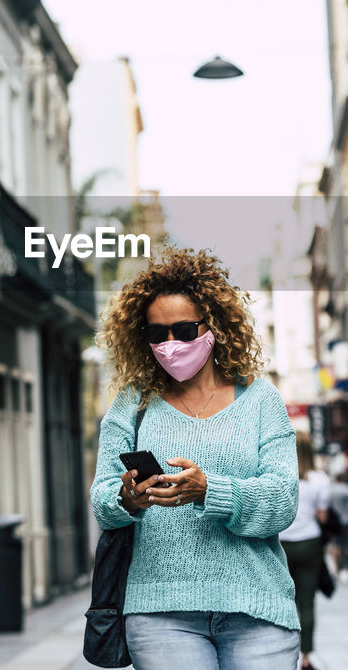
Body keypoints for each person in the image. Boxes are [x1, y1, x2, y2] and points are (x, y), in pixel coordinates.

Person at [90, 247, 301, 670]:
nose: (170, 344)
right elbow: (102, 500)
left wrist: (210, 490)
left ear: (215, 326)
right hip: (159, 612)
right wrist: (128, 498)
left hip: (258, 608)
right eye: (157, 334)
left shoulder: (260, 400)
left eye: (185, 330)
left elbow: (283, 500)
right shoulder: (132, 404)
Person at [279, 431, 331, 670]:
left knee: (282, 600)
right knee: (307, 602)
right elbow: (323, 516)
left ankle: (283, 654)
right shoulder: (320, 480)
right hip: (310, 543)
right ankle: (307, 656)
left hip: (281, 544)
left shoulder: (280, 477)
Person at [328, 473, 348, 581]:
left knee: (336, 546)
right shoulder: (347, 489)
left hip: (335, 523)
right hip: (347, 521)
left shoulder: (331, 490)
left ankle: (337, 570)